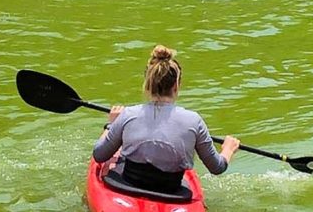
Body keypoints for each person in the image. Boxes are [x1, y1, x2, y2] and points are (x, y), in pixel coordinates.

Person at [92, 45, 241, 198]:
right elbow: (217, 167)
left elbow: (99, 155)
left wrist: (111, 125)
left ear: (148, 84)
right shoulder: (194, 121)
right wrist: (228, 149)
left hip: (129, 185)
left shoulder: (128, 114)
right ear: (176, 86)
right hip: (171, 192)